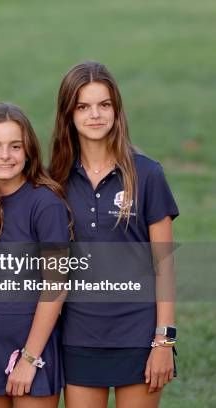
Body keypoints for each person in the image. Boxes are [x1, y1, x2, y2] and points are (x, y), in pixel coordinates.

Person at [49, 61, 178, 407]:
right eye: (83, 106)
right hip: (78, 336)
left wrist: (164, 341)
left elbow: (164, 266)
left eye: (104, 105)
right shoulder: (55, 180)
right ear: (69, 114)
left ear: (116, 110)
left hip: (139, 335)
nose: (95, 115)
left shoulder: (147, 174)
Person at [0, 103, 69, 408]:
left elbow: (56, 285)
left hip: (32, 344)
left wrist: (30, 358)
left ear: (29, 150)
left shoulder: (45, 204)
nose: (4, 156)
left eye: (15, 146)